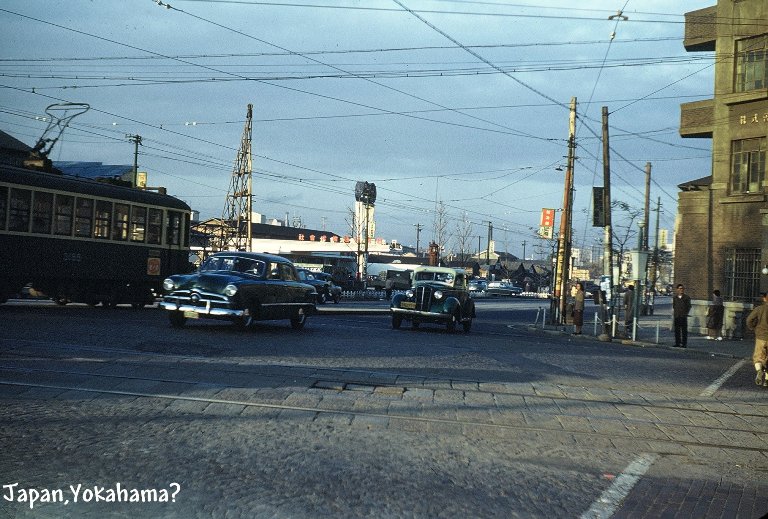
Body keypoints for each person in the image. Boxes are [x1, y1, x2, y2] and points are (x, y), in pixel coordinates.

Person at [746, 292, 768, 386]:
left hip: (761, 336)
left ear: (764, 299)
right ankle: (767, 380)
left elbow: (749, 320)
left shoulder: (759, 309)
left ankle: (759, 370)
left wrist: (753, 328)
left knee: (758, 357)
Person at [672, 284, 692, 348]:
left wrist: (685, 313)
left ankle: (684, 343)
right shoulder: (675, 298)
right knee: (677, 331)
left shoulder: (686, 297)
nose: (681, 290)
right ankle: (677, 343)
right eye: (680, 288)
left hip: (683, 316)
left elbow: (689, 306)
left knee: (684, 331)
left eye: (682, 289)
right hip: (677, 316)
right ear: (677, 289)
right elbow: (674, 306)